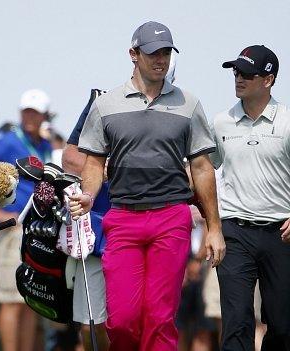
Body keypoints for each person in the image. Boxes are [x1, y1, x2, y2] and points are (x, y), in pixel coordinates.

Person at [69, 21, 225, 351]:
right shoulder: (106, 105)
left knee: (159, 318)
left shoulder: (189, 105)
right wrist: (88, 195)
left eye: (166, 53)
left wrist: (213, 227)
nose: (161, 60)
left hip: (171, 218)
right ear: (133, 54)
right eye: (153, 53)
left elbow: (201, 166)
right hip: (123, 219)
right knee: (122, 320)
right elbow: (94, 163)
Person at [212, 45, 290, 350]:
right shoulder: (220, 123)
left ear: (268, 80)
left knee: (283, 327)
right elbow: (204, 171)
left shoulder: (287, 121)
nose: (238, 78)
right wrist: (212, 225)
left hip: (281, 234)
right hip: (234, 233)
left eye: (246, 73)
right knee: (236, 322)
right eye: (236, 71)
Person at [0, 88, 53, 351]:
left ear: (45, 115)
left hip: (36, 229)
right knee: (11, 299)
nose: (31, 117)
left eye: (36, 112)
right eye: (27, 112)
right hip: (13, 228)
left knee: (30, 300)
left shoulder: (44, 145)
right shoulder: (9, 142)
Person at [61, 89, 110, 351]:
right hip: (97, 233)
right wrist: (126, 168)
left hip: (151, 229)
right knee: (92, 321)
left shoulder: (175, 107)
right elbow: (70, 159)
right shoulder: (100, 99)